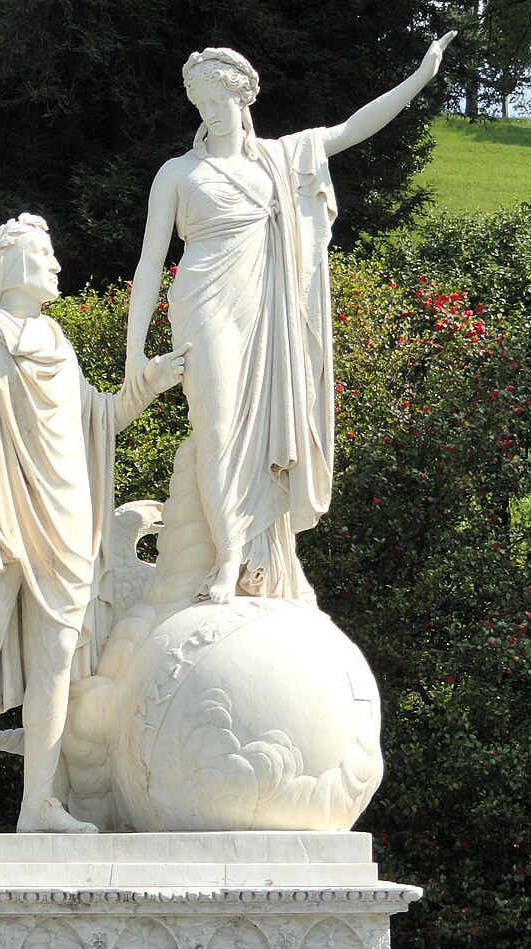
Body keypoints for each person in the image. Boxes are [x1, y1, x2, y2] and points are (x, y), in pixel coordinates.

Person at [125, 33, 455, 605]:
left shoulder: (281, 158)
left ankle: (252, 557)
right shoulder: (176, 173)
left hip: (265, 309)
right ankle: (229, 556)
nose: (210, 112)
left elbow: (352, 130)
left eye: (218, 101)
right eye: (200, 104)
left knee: (262, 430)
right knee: (219, 427)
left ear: (243, 98)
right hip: (203, 303)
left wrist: (421, 77)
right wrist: (135, 351)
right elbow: (151, 261)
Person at [0, 214, 188, 834]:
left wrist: (149, 385)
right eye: (45, 254)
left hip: (66, 516)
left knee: (57, 665)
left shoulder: (57, 341)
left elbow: (98, 421)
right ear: (13, 264)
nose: (55, 265)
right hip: (0, 513)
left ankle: (39, 806)